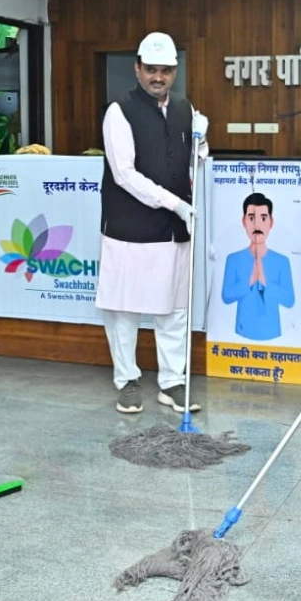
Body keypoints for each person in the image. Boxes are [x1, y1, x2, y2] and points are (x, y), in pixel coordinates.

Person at [96, 31, 208, 415]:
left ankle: (172, 382)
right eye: (151, 70)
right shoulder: (119, 111)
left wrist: (201, 140)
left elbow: (194, 161)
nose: (158, 77)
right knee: (124, 310)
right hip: (129, 226)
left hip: (173, 230)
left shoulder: (185, 109)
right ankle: (127, 381)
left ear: (175, 71)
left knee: (173, 309)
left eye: (165, 70)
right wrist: (175, 203)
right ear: (137, 69)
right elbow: (124, 174)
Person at [221, 192, 295, 341]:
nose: (257, 225)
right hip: (240, 336)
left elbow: (289, 300)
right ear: (244, 221)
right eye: (251, 218)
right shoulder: (233, 259)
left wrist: (265, 281)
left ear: (271, 222)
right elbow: (226, 296)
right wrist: (249, 281)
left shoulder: (282, 261)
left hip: (273, 335)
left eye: (263, 218)